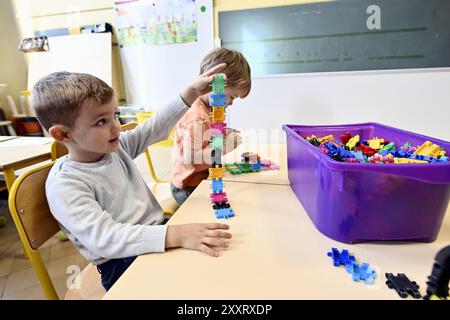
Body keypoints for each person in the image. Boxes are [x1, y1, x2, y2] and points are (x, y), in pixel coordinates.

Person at [31, 68, 232, 291]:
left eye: (114, 115)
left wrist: (189, 93)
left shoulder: (115, 147)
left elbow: (154, 127)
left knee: (215, 273)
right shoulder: (65, 184)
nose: (116, 126)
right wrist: (175, 235)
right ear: (63, 135)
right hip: (121, 262)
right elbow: (105, 239)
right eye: (101, 122)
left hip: (158, 233)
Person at [171, 48, 252, 206]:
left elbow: (206, 138)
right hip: (188, 187)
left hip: (202, 176)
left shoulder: (209, 109)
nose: (231, 103)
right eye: (231, 97)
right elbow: (191, 157)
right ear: (216, 85)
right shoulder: (197, 118)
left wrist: (221, 135)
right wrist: (224, 147)